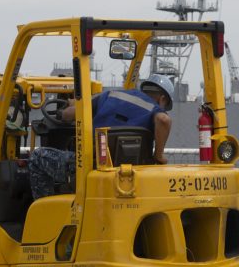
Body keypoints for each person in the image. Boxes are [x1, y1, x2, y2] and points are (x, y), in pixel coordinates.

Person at [29, 74, 174, 199]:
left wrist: (63, 111)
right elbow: (164, 120)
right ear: (162, 99)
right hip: (129, 175)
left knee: (36, 158)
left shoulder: (110, 95)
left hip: (90, 167)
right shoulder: (154, 110)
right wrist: (158, 156)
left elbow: (68, 115)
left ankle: (45, 208)